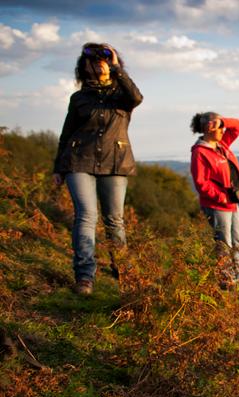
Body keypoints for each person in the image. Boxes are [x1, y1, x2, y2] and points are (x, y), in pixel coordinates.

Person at [53, 42, 143, 295]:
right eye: (90, 61)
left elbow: (136, 97)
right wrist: (58, 168)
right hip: (78, 160)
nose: (97, 64)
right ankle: (84, 277)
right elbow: (66, 133)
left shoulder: (122, 96)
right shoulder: (79, 98)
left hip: (115, 163)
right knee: (86, 216)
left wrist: (115, 67)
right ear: (83, 67)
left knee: (114, 220)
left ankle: (122, 269)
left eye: (102, 60)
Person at [189, 112, 239, 289]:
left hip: (232, 203)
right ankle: (226, 280)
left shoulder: (222, 144)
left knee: (238, 242)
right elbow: (201, 183)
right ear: (208, 127)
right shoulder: (200, 152)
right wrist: (221, 197)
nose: (223, 129)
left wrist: (222, 121)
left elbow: (237, 125)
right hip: (217, 205)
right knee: (224, 244)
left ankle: (238, 277)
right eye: (219, 126)